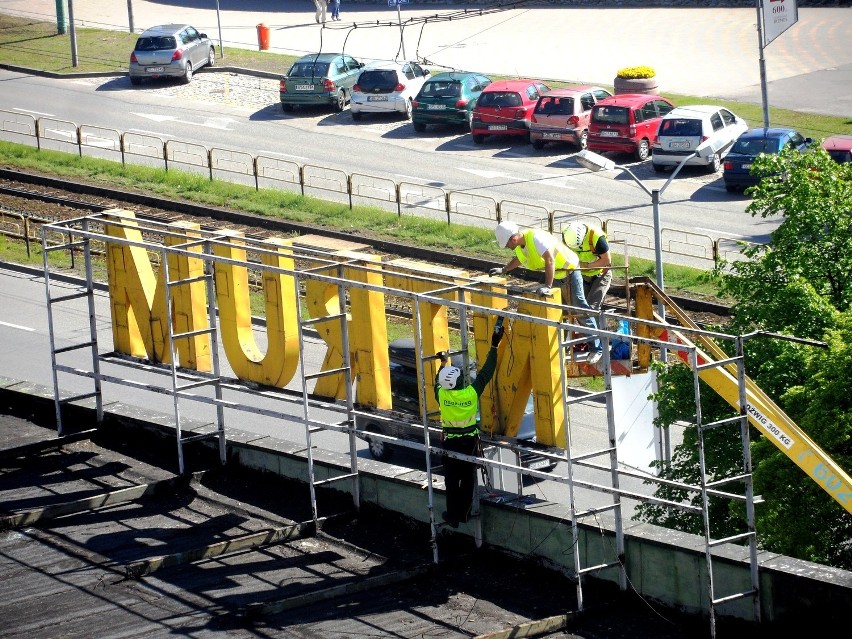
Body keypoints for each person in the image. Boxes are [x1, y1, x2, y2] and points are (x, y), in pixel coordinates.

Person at [490, 221, 602, 364]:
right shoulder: (521, 246)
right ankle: (562, 348)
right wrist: (504, 270)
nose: (506, 247)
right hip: (558, 275)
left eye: (506, 244)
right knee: (559, 312)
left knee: (579, 309)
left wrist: (548, 286)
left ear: (513, 239)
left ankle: (596, 349)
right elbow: (519, 259)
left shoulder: (536, 238)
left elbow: (550, 260)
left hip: (570, 271)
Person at [435, 320, 505, 528]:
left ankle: (453, 516)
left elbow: (435, 382)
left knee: (450, 481)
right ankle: (464, 514)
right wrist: (494, 346)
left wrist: (442, 363)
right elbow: (486, 372)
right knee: (467, 480)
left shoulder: (441, 396)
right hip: (469, 443)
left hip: (450, 444)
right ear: (459, 382)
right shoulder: (471, 393)